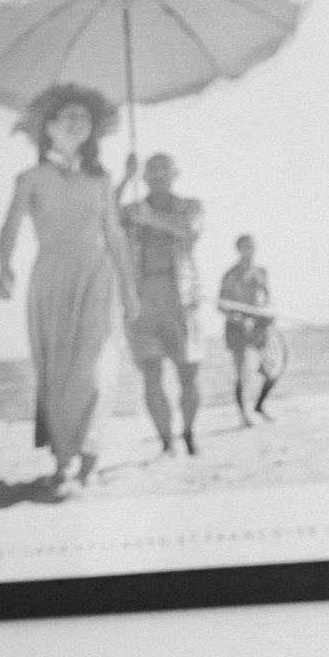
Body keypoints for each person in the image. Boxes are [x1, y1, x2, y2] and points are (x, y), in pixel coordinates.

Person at [0, 82, 137, 492]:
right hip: (51, 283)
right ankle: (62, 462)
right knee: (56, 376)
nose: (79, 123)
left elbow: (116, 236)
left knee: (94, 370)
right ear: (49, 128)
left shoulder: (102, 180)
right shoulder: (31, 178)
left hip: (98, 278)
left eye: (85, 118)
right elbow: (10, 226)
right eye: (70, 116)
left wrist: (129, 289)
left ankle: (89, 456)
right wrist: (3, 268)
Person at [119, 152, 205, 456]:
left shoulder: (190, 205)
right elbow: (102, 219)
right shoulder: (132, 209)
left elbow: (189, 229)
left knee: (189, 373)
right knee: (151, 373)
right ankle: (166, 441)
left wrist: (151, 218)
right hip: (142, 298)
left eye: (163, 169)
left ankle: (189, 432)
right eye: (150, 170)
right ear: (144, 177)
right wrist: (124, 179)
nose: (157, 175)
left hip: (181, 296)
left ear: (174, 174)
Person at [219, 232, 278, 424]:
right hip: (236, 326)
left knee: (272, 369)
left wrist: (267, 314)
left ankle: (259, 405)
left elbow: (267, 297)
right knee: (243, 373)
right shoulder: (230, 275)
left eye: (252, 246)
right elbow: (221, 304)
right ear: (239, 250)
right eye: (246, 247)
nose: (250, 251)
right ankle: (244, 414)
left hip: (258, 323)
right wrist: (236, 317)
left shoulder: (261, 272)